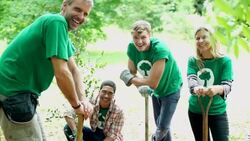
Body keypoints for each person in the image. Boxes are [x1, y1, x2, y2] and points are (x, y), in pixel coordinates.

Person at [0, 0, 94, 140]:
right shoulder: (56, 22)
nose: (81, 17)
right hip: (12, 91)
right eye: (78, 9)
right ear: (64, 5)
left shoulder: (60, 33)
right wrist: (76, 105)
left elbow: (73, 70)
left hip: (22, 94)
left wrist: (84, 100)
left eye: (85, 14)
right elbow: (62, 73)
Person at [120, 20, 182, 141]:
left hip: (171, 88)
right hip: (155, 91)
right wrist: (139, 87)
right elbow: (132, 72)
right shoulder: (132, 48)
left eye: (143, 37)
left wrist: (131, 79)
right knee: (161, 125)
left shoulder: (160, 49)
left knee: (163, 127)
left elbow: (152, 83)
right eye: (135, 38)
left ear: (150, 35)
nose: (139, 41)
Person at [187, 26, 233, 141]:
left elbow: (227, 86)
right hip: (196, 110)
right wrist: (196, 88)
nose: (200, 41)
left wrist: (217, 89)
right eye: (197, 38)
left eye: (204, 37)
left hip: (217, 111)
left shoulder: (225, 61)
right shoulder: (193, 60)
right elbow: (191, 80)